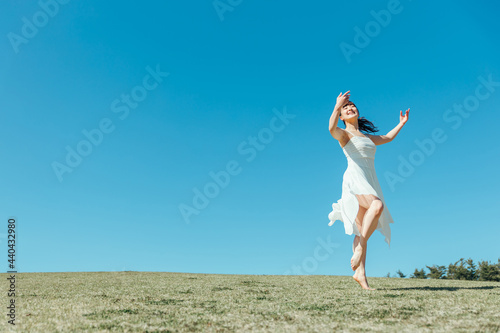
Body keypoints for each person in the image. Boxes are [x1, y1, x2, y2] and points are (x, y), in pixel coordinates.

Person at [328, 90, 409, 290]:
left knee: (362, 227)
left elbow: (388, 137)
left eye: (351, 106)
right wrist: (337, 105)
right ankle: (361, 248)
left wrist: (401, 123)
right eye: (346, 108)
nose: (349, 108)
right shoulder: (344, 134)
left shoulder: (366, 137)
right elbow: (331, 129)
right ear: (341, 115)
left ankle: (361, 275)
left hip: (370, 180)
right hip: (355, 180)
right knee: (377, 205)